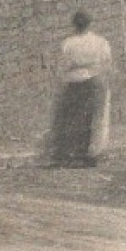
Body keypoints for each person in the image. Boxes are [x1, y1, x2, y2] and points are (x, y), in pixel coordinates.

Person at [49, 10, 113, 168]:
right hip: (94, 81)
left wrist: (63, 80)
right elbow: (107, 62)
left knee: (74, 118)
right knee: (95, 118)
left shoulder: (68, 43)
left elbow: (62, 66)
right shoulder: (100, 42)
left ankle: (74, 154)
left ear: (74, 24)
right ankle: (91, 154)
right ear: (90, 23)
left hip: (75, 81)